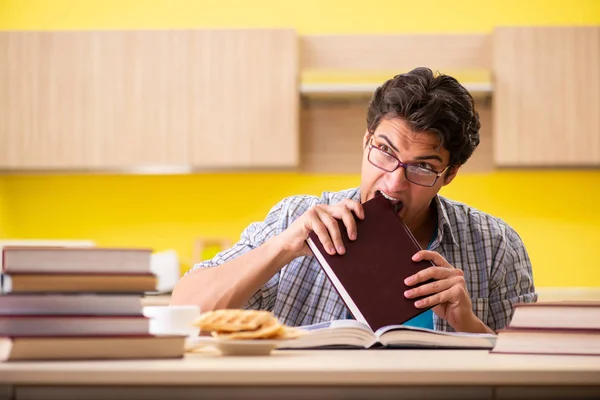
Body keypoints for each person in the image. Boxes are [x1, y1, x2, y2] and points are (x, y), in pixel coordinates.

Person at [171, 67, 537, 333]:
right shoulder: (293, 218)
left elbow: (530, 379)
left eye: (423, 167)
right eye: (384, 151)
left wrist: (467, 325)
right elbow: (185, 311)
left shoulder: (497, 245)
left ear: (450, 174)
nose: (394, 182)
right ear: (365, 143)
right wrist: (281, 248)